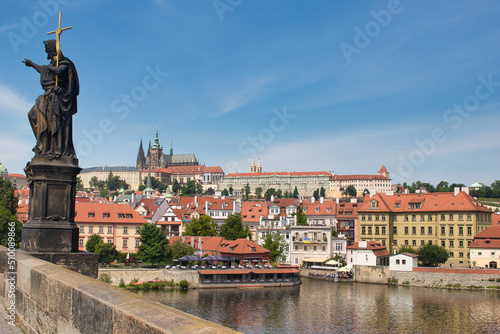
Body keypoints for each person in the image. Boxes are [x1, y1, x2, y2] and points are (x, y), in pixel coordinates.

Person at [23, 39, 79, 160]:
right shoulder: (51, 66)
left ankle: (55, 148)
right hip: (46, 96)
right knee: (32, 114)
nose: (46, 53)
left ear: (52, 50)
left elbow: (60, 71)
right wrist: (32, 64)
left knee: (55, 124)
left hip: (57, 98)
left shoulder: (64, 63)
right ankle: (43, 145)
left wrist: (50, 66)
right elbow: (42, 69)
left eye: (47, 50)